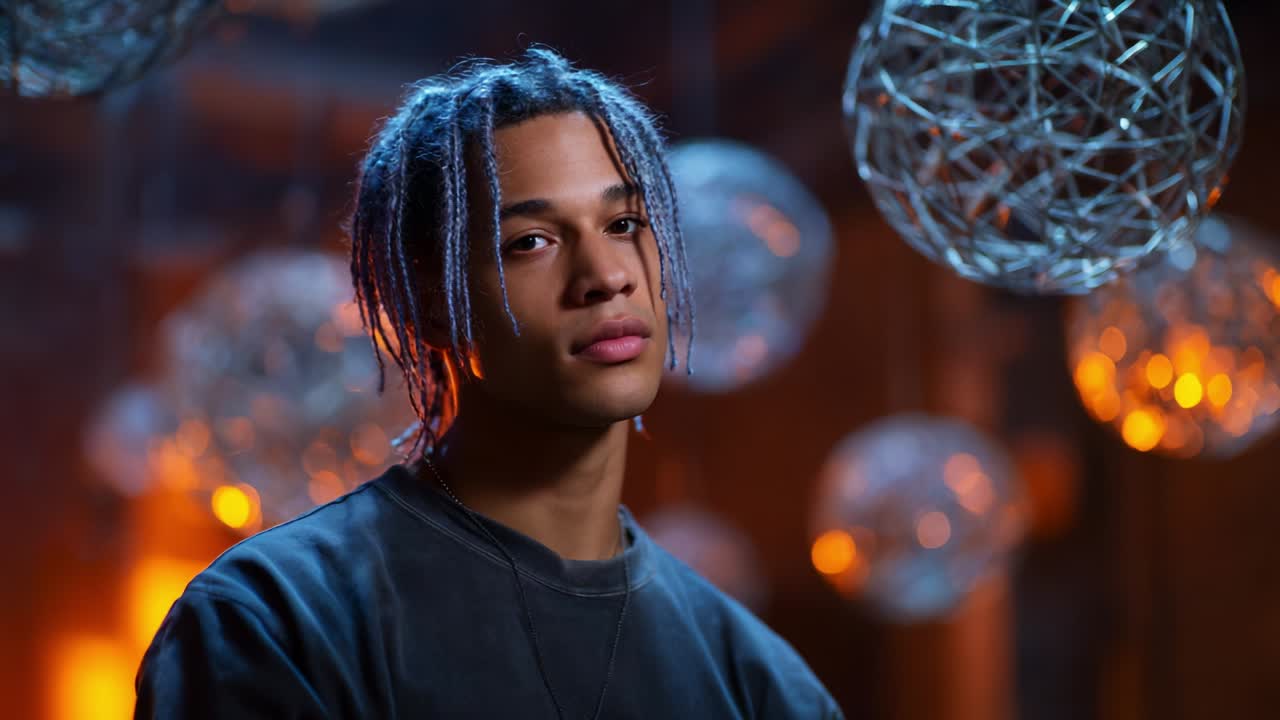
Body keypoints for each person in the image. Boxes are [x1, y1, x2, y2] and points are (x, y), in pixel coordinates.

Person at [135, 48, 844, 719]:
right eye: (530, 242)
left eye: (625, 222)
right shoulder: (275, 621)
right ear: (430, 299)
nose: (606, 276)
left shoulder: (761, 684)